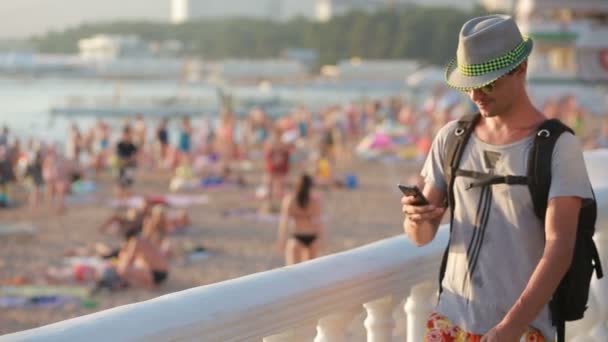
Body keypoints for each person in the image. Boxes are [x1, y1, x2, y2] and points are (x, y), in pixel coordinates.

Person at [400, 15, 593, 342]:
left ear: (521, 68)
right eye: (470, 84)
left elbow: (561, 247)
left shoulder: (557, 146)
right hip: (449, 321)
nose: (477, 94)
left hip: (521, 330)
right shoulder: (453, 138)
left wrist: (510, 327)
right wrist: (415, 216)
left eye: (488, 82)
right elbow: (420, 236)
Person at [276, 173, 323, 265]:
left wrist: (281, 239)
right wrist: (321, 239)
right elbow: (319, 222)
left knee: (292, 271)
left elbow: (284, 223)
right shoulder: (314, 201)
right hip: (312, 237)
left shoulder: (290, 200)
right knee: (310, 271)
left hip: (296, 237)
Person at [115, 126, 138, 198]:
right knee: (120, 184)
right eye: (126, 135)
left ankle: (127, 196)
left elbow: (134, 157)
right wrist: (126, 160)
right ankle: (121, 196)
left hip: (129, 166)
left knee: (129, 183)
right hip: (121, 166)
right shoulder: (120, 145)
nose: (128, 136)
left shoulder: (132, 146)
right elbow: (118, 156)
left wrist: (128, 160)